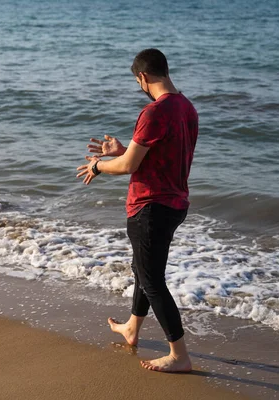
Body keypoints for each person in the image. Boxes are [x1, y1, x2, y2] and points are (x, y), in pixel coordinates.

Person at [76, 48, 198, 373]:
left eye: (137, 81)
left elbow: (130, 165)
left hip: (150, 206)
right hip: (175, 202)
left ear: (143, 77)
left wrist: (100, 166)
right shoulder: (187, 107)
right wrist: (122, 148)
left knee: (152, 279)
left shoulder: (154, 111)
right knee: (142, 270)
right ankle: (132, 328)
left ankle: (179, 354)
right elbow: (160, 152)